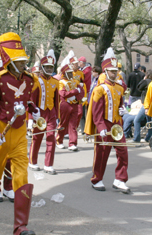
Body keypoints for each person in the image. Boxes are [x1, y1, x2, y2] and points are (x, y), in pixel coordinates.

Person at [0, 32, 39, 235]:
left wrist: (33, 109)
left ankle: (20, 226)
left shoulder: (29, 80)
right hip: (2, 130)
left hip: (19, 132)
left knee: (22, 175)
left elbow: (24, 99)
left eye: (23, 61)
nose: (22, 65)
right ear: (8, 61)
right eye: (18, 61)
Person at [84, 47, 130, 194]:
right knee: (101, 154)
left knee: (123, 152)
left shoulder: (119, 87)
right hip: (104, 124)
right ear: (105, 72)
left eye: (116, 70)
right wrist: (101, 127)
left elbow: (121, 104)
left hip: (117, 125)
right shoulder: (99, 89)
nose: (114, 73)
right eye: (111, 71)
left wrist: (123, 110)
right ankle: (97, 179)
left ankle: (120, 179)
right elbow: (96, 112)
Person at [28, 49, 60, 175]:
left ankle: (48, 164)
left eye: (51, 67)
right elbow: (31, 100)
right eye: (46, 67)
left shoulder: (55, 82)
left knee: (51, 138)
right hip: (39, 113)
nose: (49, 69)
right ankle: (33, 161)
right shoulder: (36, 81)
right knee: (37, 138)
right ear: (42, 68)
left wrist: (57, 117)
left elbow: (57, 100)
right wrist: (31, 118)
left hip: (51, 113)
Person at [56, 51, 85, 151]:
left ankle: (72, 143)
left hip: (74, 104)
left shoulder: (75, 81)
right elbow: (62, 94)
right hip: (65, 104)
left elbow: (82, 91)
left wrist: (77, 98)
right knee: (63, 123)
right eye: (68, 73)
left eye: (70, 73)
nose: (70, 74)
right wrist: (74, 92)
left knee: (73, 124)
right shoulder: (61, 82)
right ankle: (59, 140)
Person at [78, 56, 91, 135]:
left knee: (84, 109)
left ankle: (85, 128)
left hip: (86, 92)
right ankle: (83, 128)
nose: (78, 64)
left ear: (82, 63)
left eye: (79, 62)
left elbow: (82, 78)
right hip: (83, 91)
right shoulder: (83, 70)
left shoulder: (86, 70)